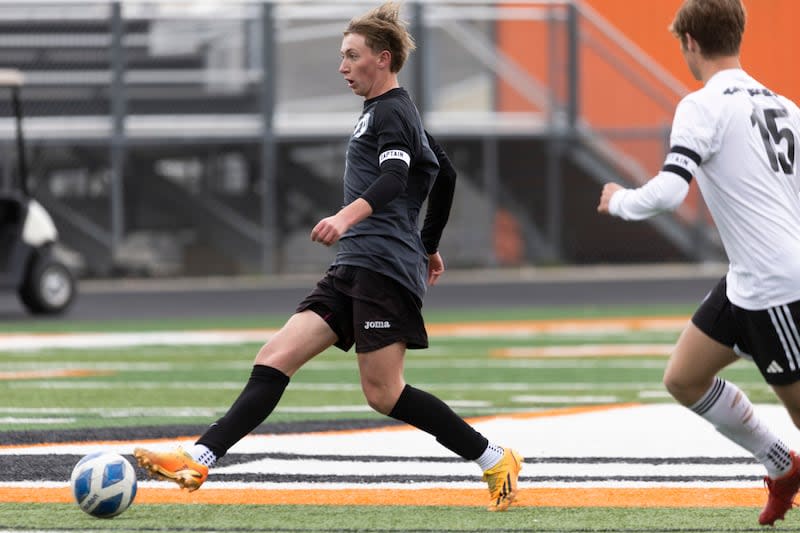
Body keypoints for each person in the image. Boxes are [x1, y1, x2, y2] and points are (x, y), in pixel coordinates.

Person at [134, 2, 522, 513]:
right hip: (355, 265)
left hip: (381, 267)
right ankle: (198, 458)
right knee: (274, 358)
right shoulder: (390, 112)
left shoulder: (391, 111)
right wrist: (427, 243)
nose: (342, 66)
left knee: (383, 394)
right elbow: (443, 174)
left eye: (351, 55)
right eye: (342, 56)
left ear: (382, 59)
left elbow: (393, 179)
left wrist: (346, 218)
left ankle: (495, 458)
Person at [597, 0, 800, 526]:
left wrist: (619, 199)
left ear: (689, 42)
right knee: (684, 378)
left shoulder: (702, 104)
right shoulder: (785, 105)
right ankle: (782, 466)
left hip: (777, 288)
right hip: (749, 281)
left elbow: (668, 191)